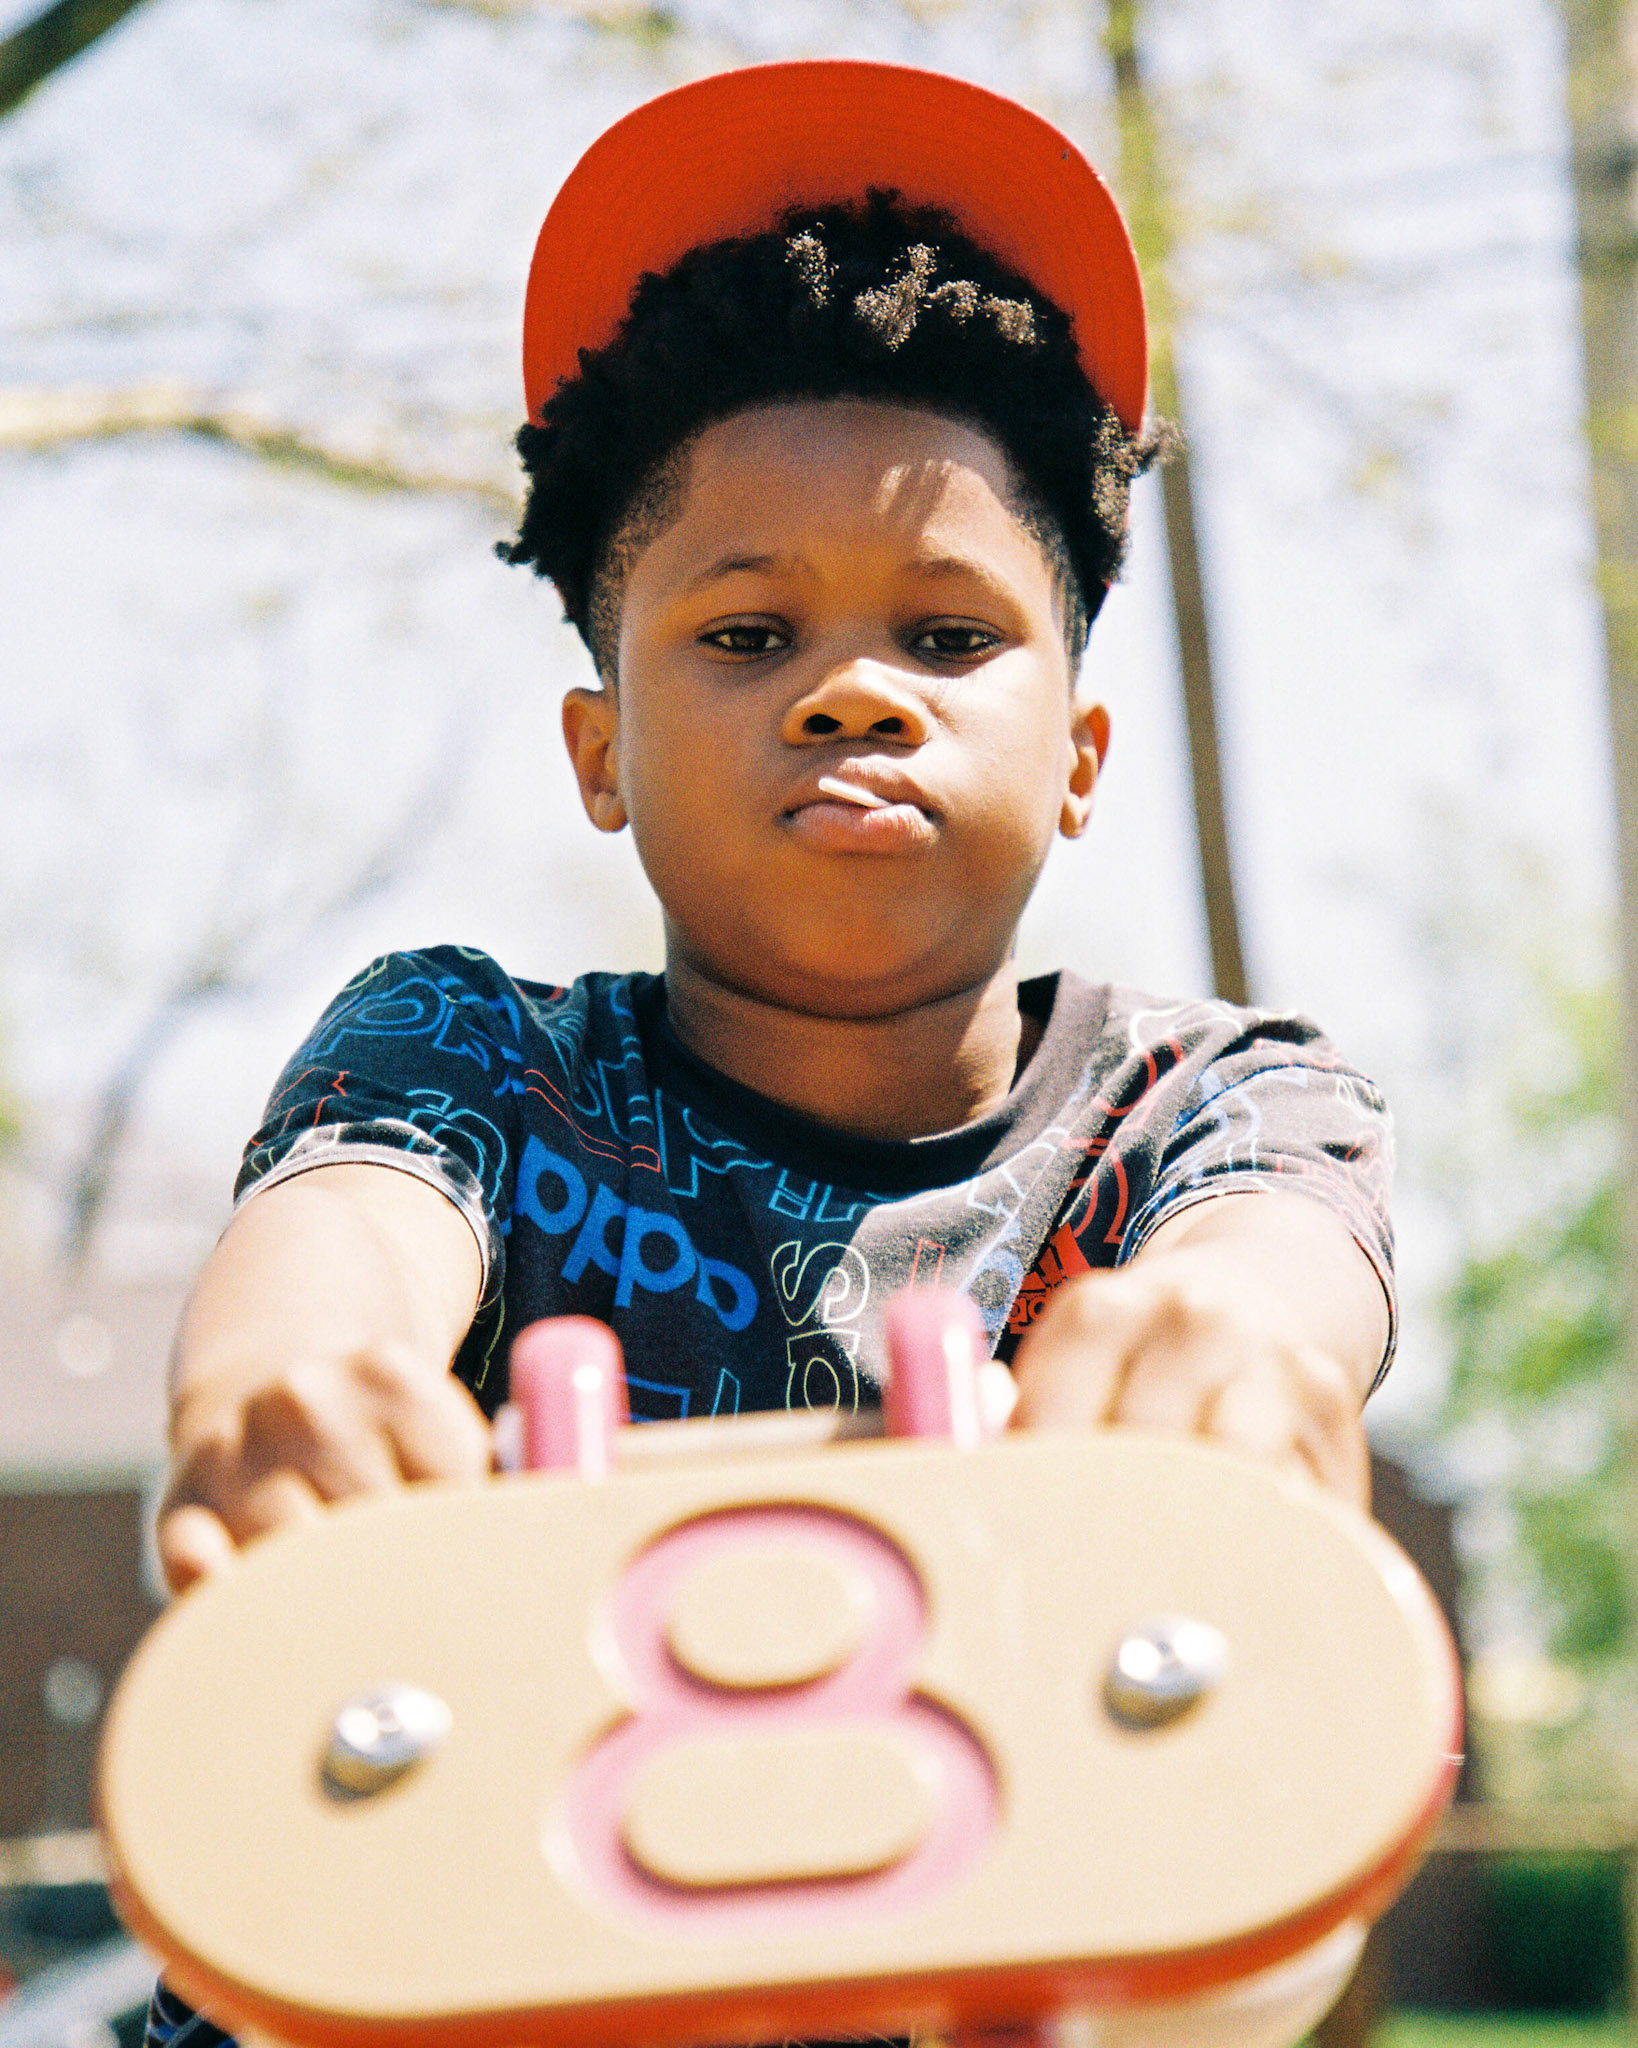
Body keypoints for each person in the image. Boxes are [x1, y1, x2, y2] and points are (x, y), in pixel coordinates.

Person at [144, 57, 1395, 2048]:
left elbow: (1275, 1254)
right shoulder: (470, 1055)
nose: (852, 695)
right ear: (600, 752)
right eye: (746, 638)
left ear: (1079, 755)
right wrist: (289, 1380)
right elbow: (354, 1225)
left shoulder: (1202, 1108)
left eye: (949, 636)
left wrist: (1237, 1348)